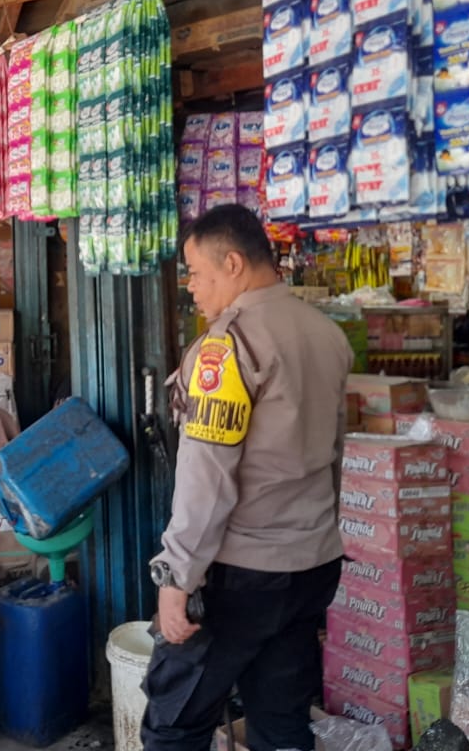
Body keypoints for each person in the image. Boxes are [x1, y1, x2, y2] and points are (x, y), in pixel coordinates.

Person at [142, 205, 352, 751]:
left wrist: (177, 577)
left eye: (196, 273)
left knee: (174, 724)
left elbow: (207, 477)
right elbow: (335, 454)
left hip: (243, 575)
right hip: (312, 565)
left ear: (232, 264)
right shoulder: (326, 333)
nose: (191, 287)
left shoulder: (228, 347)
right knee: (282, 726)